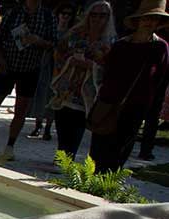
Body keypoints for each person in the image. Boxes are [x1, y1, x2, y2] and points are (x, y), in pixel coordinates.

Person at [90, 0, 169, 171]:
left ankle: (107, 187)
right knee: (98, 150)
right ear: (138, 20)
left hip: (135, 108)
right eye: (147, 18)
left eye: (155, 19)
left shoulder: (161, 47)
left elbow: (159, 80)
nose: (150, 23)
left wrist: (151, 108)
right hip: (108, 103)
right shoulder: (121, 45)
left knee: (119, 154)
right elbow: (107, 73)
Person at [0, 0, 56, 160]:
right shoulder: (13, 13)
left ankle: (10, 146)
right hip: (8, 67)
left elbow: (53, 43)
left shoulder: (48, 17)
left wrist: (39, 41)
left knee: (21, 109)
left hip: (30, 69)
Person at [49, 1, 115, 160]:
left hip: (87, 91)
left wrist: (91, 65)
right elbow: (59, 52)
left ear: (108, 18)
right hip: (67, 86)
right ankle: (61, 154)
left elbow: (110, 69)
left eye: (102, 15)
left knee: (77, 123)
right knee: (62, 119)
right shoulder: (75, 34)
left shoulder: (110, 41)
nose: (97, 19)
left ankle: (68, 158)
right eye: (94, 14)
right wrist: (69, 61)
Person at [28, 4, 75, 140]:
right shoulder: (50, 29)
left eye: (68, 14)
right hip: (46, 65)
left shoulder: (72, 33)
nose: (65, 16)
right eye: (63, 13)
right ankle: (38, 125)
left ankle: (48, 128)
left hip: (60, 68)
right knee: (41, 94)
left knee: (53, 95)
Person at [137, 28, 169, 159]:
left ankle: (146, 149)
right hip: (151, 75)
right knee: (146, 113)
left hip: (160, 76)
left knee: (151, 114)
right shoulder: (159, 32)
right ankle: (145, 149)